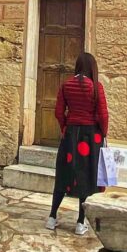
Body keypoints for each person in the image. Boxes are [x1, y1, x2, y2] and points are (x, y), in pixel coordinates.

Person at [46, 52, 109, 235]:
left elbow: (59, 112)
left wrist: (65, 126)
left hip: (71, 134)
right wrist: (103, 133)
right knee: (87, 176)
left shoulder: (66, 85)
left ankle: (52, 217)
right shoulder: (96, 87)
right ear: (92, 68)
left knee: (64, 173)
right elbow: (103, 115)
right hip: (91, 138)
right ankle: (80, 222)